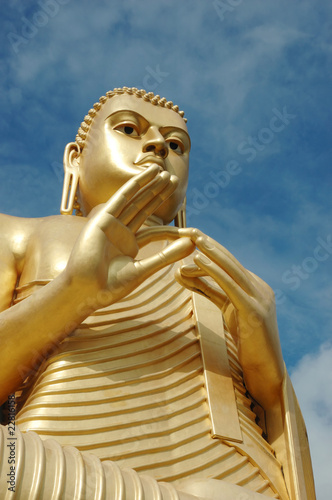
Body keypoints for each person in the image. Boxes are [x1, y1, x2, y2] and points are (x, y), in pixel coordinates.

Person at [0, 87, 315, 499]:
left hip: (231, 485)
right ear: (75, 158)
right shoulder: (22, 235)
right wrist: (72, 294)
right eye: (129, 128)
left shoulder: (224, 275)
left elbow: (276, 432)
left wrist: (271, 377)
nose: (156, 146)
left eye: (175, 144)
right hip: (53, 470)